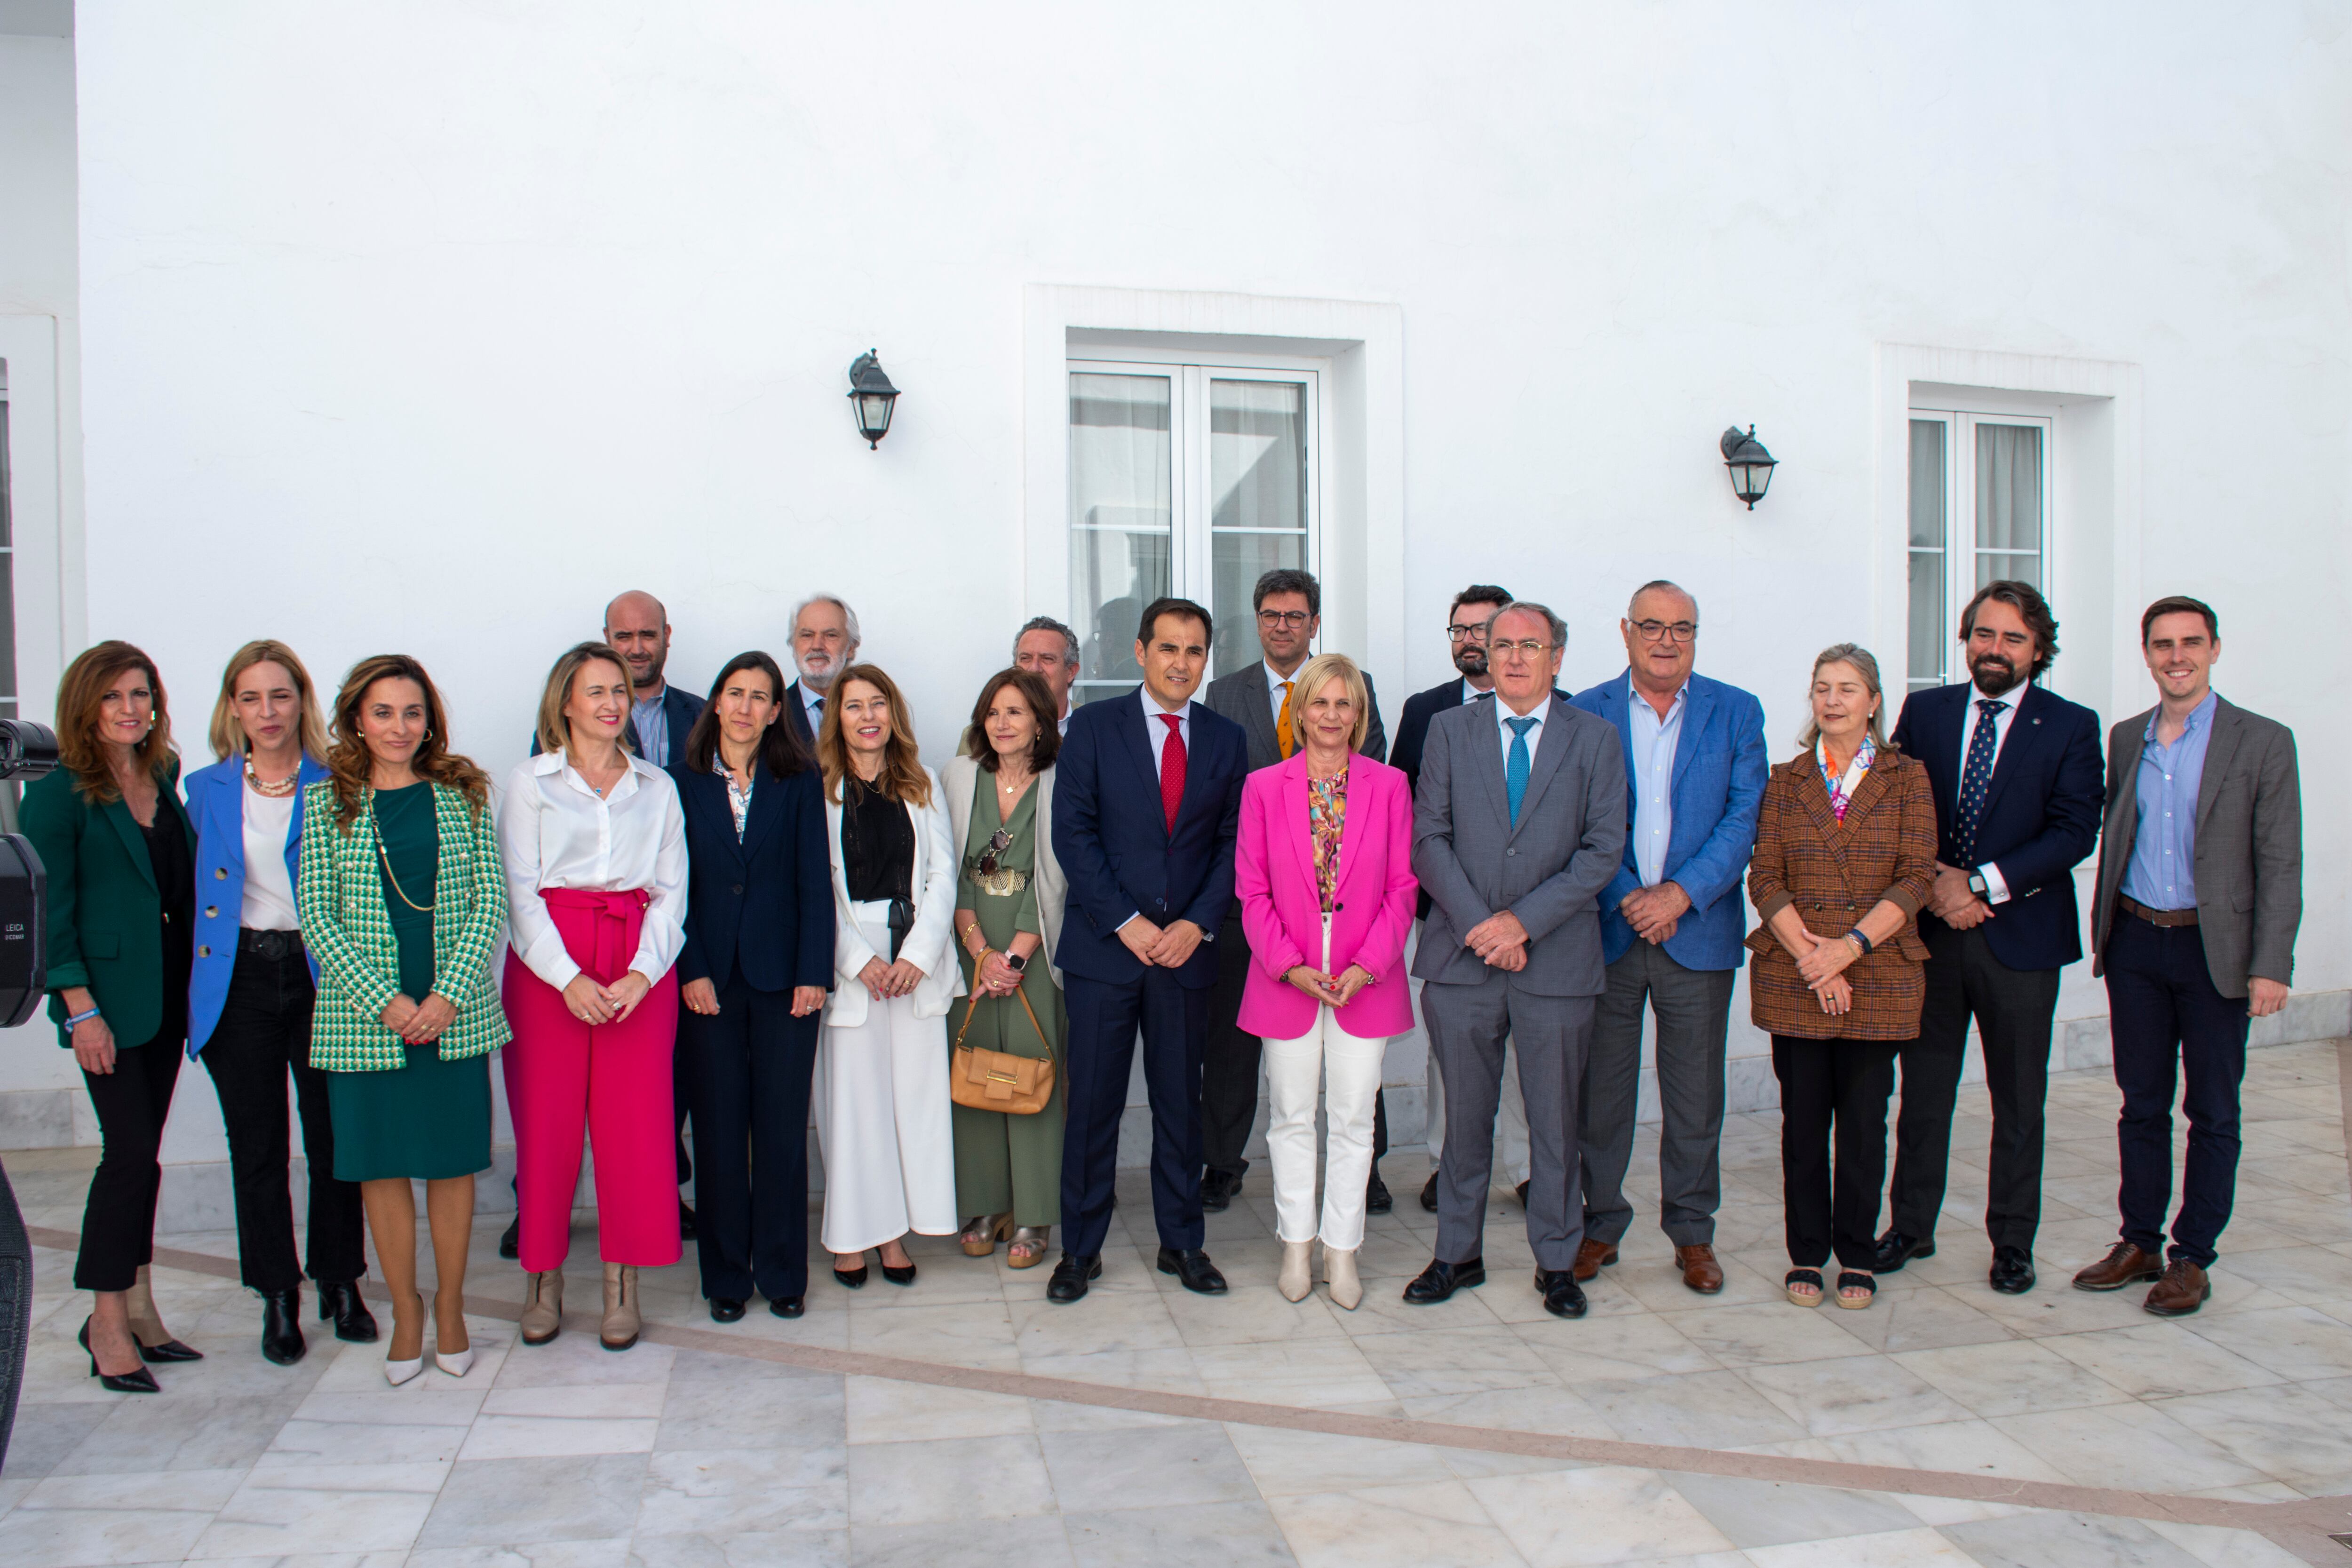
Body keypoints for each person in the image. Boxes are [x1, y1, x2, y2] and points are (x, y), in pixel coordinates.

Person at [2073, 596, 2301, 1317]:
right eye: (2163, 644)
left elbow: (2280, 861)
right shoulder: (2127, 737)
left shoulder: (2261, 741)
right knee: (2141, 1103)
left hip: (2216, 949)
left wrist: (2272, 964)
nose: (2177, 656)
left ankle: (2192, 1255)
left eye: (2191, 643)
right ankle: (2138, 1240)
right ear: (2146, 653)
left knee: (2213, 1108)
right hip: (2138, 941)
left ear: (2215, 649)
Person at [1879, 581, 2103, 1296]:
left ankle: (2013, 1242)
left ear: (2038, 648)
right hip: (1933, 937)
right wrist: (1942, 882)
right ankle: (1910, 1227)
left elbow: (2073, 830)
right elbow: (1896, 805)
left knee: (2018, 1100)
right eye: (1983, 634)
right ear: (1965, 638)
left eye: (2012, 638)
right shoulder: (1929, 711)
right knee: (1924, 1095)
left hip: (2021, 939)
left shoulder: (2070, 724)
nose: (1995, 649)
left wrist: (1979, 886)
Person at [1403, 601, 1624, 1321]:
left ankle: (1557, 1261)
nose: (1517, 658)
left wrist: (1521, 923)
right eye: (1503, 645)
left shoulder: (1595, 738)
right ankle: (1456, 1254)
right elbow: (1428, 838)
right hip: (1464, 962)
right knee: (1466, 1116)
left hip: (1556, 961)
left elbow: (1602, 851)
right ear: (1485, 656)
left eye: (1532, 646)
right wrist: (1482, 926)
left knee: (1556, 1120)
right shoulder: (1447, 730)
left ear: (1558, 657)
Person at [300, 654, 508, 1385]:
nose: (399, 726)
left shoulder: (464, 793)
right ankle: (407, 1311)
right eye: (383, 712)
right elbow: (318, 918)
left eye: (412, 712)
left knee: (451, 1164)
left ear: (430, 720)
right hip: (366, 1019)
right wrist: (384, 1000)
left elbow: (491, 901)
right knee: (380, 1169)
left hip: (452, 1012)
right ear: (357, 718)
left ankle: (451, 1308)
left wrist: (448, 993)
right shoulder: (327, 802)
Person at [1569, 581, 1768, 1296]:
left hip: (1698, 929)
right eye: (1651, 627)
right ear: (1625, 631)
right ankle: (1600, 1224)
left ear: (1695, 635)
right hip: (1610, 930)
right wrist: (1630, 895)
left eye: (1680, 628)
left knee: (1695, 1096)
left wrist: (1680, 894)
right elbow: (1578, 822)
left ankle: (1692, 1232)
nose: (1665, 640)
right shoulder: (1585, 710)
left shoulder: (1737, 711)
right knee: (1603, 1094)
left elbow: (1744, 818)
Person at [1049, 597, 1248, 1304]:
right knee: (1093, 1108)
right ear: (1140, 652)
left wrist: (1196, 923)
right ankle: (1080, 1250)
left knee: (1179, 1107)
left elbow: (1232, 844)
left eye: (1195, 650)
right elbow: (1073, 835)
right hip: (1108, 952)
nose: (1181, 663)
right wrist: (1126, 921)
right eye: (1168, 648)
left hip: (1187, 953)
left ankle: (1182, 1244)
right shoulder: (1094, 729)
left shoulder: (1226, 739)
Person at [183, 641, 373, 1364]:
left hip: (325, 979)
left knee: (334, 1139)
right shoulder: (204, 790)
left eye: (281, 696)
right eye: (252, 698)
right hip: (240, 982)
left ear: (302, 702)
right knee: (257, 1147)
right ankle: (277, 1294)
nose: (268, 712)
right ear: (233, 706)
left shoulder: (340, 781)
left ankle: (340, 1280)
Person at [24, 642, 203, 1393]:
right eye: (113, 697)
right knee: (125, 1157)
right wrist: (80, 1009)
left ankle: (142, 1305)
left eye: (140, 694)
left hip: (166, 997)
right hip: (104, 1006)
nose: (130, 709)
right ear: (85, 706)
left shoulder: (161, 774)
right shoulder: (58, 792)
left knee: (145, 1155)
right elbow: (48, 914)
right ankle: (105, 1320)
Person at [500, 642, 688, 1352]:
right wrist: (567, 977)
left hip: (638, 964)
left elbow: (673, 892)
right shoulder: (529, 782)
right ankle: (543, 1282)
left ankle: (620, 1287)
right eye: (596, 690)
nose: (612, 702)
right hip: (550, 965)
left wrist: (642, 974)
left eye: (619, 690)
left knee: (634, 1130)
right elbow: (519, 889)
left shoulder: (657, 787)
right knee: (546, 1127)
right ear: (566, 702)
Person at [1745, 645, 1936, 1313]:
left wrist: (1845, 952)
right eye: (1822, 687)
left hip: (1876, 973)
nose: (1832, 700)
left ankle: (1856, 1255)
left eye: (1848, 688)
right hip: (1795, 974)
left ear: (1873, 701)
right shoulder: (1786, 778)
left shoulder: (1908, 777)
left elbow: (1916, 876)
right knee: (1802, 1125)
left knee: (1862, 1124)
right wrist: (1812, 958)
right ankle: (1806, 1253)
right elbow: (1764, 876)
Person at [1201, 569, 1393, 1216]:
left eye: (1295, 614)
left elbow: (1376, 776)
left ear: (1315, 623)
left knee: (1354, 1045)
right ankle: (1224, 1161)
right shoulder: (1225, 693)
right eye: (1270, 613)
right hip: (1249, 903)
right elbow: (1215, 794)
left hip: (1345, 911)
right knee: (1235, 1044)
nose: (1282, 624)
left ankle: (1367, 1172)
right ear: (1257, 620)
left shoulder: (1352, 687)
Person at [1233, 654, 1416, 1310]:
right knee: (1289, 1115)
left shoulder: (1390, 786)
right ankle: (1296, 1245)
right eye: (1320, 703)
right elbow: (1252, 892)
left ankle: (1343, 1253)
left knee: (1353, 1118)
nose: (1332, 716)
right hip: (1288, 969)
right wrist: (1289, 965)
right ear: (1300, 712)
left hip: (1366, 968)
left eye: (1345, 705)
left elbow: (1402, 887)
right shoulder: (1262, 787)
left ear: (1358, 715)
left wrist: (1368, 965)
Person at [669, 652, 832, 1321]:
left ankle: (783, 1272)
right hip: (708, 980)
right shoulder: (678, 784)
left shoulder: (798, 780)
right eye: (734, 693)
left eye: (759, 696)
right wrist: (692, 970)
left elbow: (812, 884)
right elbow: (671, 888)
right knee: (718, 1131)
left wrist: (813, 974)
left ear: (775, 712)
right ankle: (727, 1279)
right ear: (715, 703)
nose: (744, 707)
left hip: (784, 981)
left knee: (780, 1133)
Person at [812, 664, 961, 1286]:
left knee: (912, 1105)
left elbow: (941, 877)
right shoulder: (816, 788)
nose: (868, 716)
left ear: (893, 714)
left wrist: (915, 959)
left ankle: (897, 1237)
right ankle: (853, 1237)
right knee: (855, 1109)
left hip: (912, 963)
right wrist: (860, 961)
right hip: (852, 965)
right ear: (836, 718)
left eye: (879, 704)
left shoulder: (920, 781)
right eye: (854, 706)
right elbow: (815, 887)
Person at [1393, 584, 1530, 1215]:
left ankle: (1530, 1169)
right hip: (1446, 913)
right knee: (1450, 1048)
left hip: (1533, 922)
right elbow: (1407, 812)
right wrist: (1454, 907)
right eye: (1460, 630)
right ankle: (1446, 1163)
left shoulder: (1563, 710)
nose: (1469, 640)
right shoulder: (1425, 710)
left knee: (1531, 1048)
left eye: (1482, 629)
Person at [943, 669, 1068, 1268]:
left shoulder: (1058, 781)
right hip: (972, 950)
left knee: (1030, 1078)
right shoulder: (961, 777)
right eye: (993, 712)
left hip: (1034, 951)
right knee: (975, 1079)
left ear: (1040, 723)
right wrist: (978, 951)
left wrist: (1012, 958)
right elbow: (955, 871)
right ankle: (987, 1205)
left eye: (1015, 713)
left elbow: (1050, 879)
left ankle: (1036, 1214)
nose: (1001, 724)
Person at [783, 593, 861, 748]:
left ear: (851, 648)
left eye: (830, 635)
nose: (817, 645)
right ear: (793, 646)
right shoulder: (774, 712)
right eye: (807, 635)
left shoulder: (875, 711)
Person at [1013, 616, 1081, 737]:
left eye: (1047, 659)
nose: (1034, 668)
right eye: (1025, 658)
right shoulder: (984, 734)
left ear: (1071, 671)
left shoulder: (1096, 726)